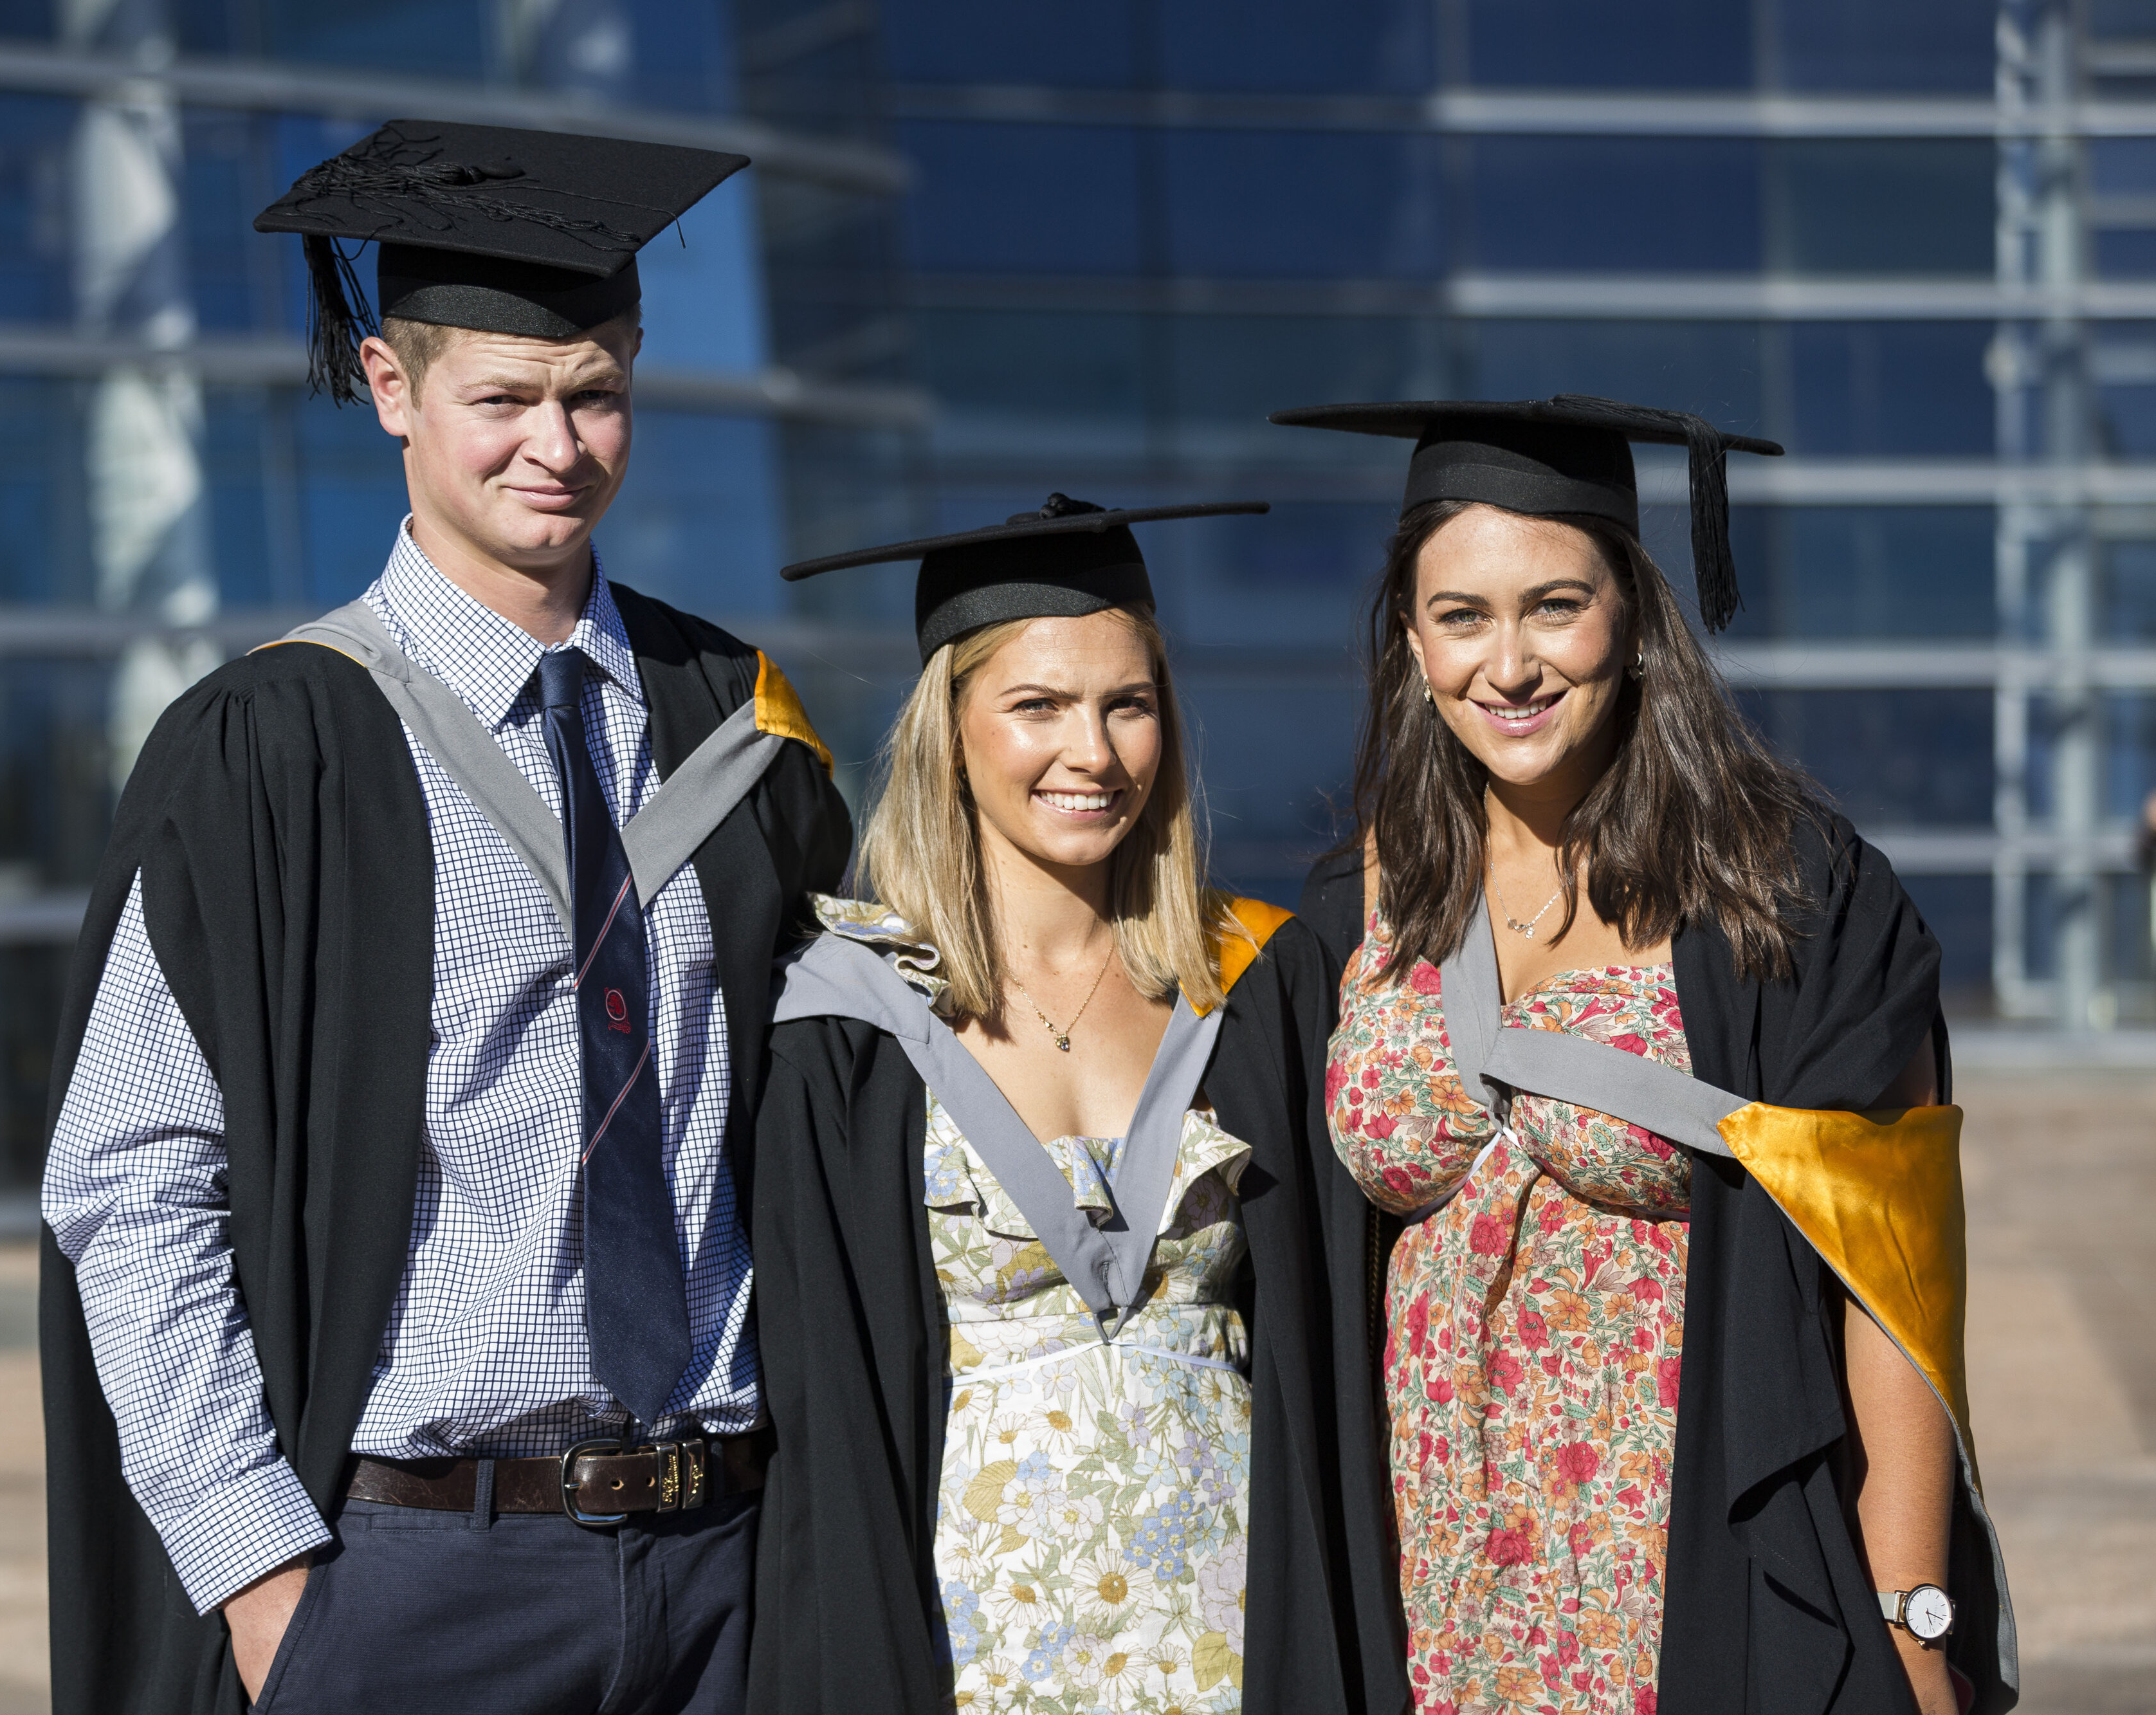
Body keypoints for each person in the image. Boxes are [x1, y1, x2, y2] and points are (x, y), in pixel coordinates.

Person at [37, 120, 852, 1715]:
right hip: (414, 1576)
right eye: (502, 397)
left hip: (723, 1566)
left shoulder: (734, 726)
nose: (555, 442)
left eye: (595, 389)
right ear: (387, 388)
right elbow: (131, 1175)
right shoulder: (274, 746)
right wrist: (263, 1578)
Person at [1275, 394, 2016, 1715]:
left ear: (1630, 614)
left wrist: (1911, 1618)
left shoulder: (1779, 898)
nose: (1507, 663)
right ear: (1409, 638)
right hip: (1430, 1580)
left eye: (1553, 605)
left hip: (1693, 1571)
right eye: (1461, 617)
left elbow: (1888, 1285)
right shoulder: (1362, 908)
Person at [744, 496, 1407, 1715]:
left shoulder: (1255, 985)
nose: (1092, 753)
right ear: (951, 727)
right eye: (1037, 706)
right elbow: (832, 1430)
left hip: (1237, 1633)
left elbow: (1330, 1353)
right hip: (976, 1653)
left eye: (1128, 703)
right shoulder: (847, 1021)